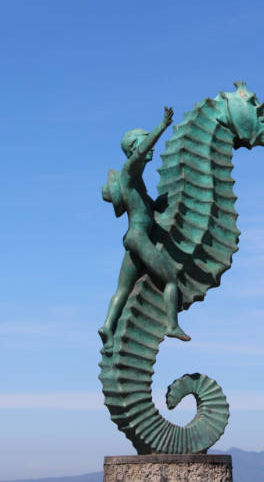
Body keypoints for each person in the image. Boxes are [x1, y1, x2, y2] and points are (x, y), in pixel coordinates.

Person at [98, 106, 189, 351]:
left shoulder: (136, 184)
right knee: (171, 279)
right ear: (132, 148)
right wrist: (162, 126)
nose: (150, 148)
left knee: (123, 289)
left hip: (133, 238)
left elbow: (148, 208)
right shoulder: (129, 171)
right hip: (138, 237)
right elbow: (141, 151)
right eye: (143, 141)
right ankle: (171, 325)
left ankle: (107, 327)